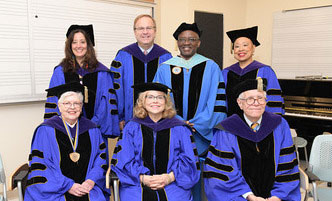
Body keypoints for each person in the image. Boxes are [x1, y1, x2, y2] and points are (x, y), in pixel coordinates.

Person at [203, 78, 300, 201]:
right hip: (240, 197)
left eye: (260, 98)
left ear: (265, 102)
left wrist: (278, 196)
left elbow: (287, 164)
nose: (256, 103)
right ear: (240, 103)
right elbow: (223, 172)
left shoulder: (279, 125)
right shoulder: (226, 129)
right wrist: (249, 196)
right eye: (250, 99)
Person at [111, 82, 200, 201]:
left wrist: (169, 178)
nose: (155, 101)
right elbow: (124, 159)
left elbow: (189, 160)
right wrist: (143, 178)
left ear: (166, 102)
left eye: (160, 97)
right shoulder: (131, 127)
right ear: (142, 101)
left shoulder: (180, 128)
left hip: (173, 183)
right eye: (150, 97)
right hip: (137, 183)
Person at [25, 82, 109, 201]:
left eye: (77, 103)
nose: (72, 107)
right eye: (67, 103)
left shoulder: (92, 130)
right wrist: (68, 185)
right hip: (55, 190)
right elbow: (42, 164)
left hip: (88, 188)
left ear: (81, 107)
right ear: (59, 106)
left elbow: (100, 160)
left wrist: (91, 181)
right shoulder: (45, 130)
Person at [44, 24, 120, 143]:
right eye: (74, 42)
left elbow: (105, 104)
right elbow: (54, 102)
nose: (78, 46)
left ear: (88, 45)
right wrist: (70, 125)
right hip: (67, 131)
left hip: (95, 130)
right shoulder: (60, 72)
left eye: (82, 42)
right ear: (69, 46)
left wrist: (90, 125)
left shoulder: (102, 72)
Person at [110, 14, 172, 130]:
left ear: (155, 31)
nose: (145, 32)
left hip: (160, 120)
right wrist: (119, 117)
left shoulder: (166, 57)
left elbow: (170, 92)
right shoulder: (123, 56)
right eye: (141, 28)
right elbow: (116, 88)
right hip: (129, 118)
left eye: (149, 28)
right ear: (135, 32)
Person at [223, 26, 284, 117]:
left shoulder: (265, 71)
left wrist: (268, 125)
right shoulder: (226, 73)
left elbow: (273, 101)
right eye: (237, 46)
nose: (241, 49)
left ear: (253, 48)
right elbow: (220, 102)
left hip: (257, 126)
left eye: (245, 45)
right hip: (230, 124)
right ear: (233, 50)